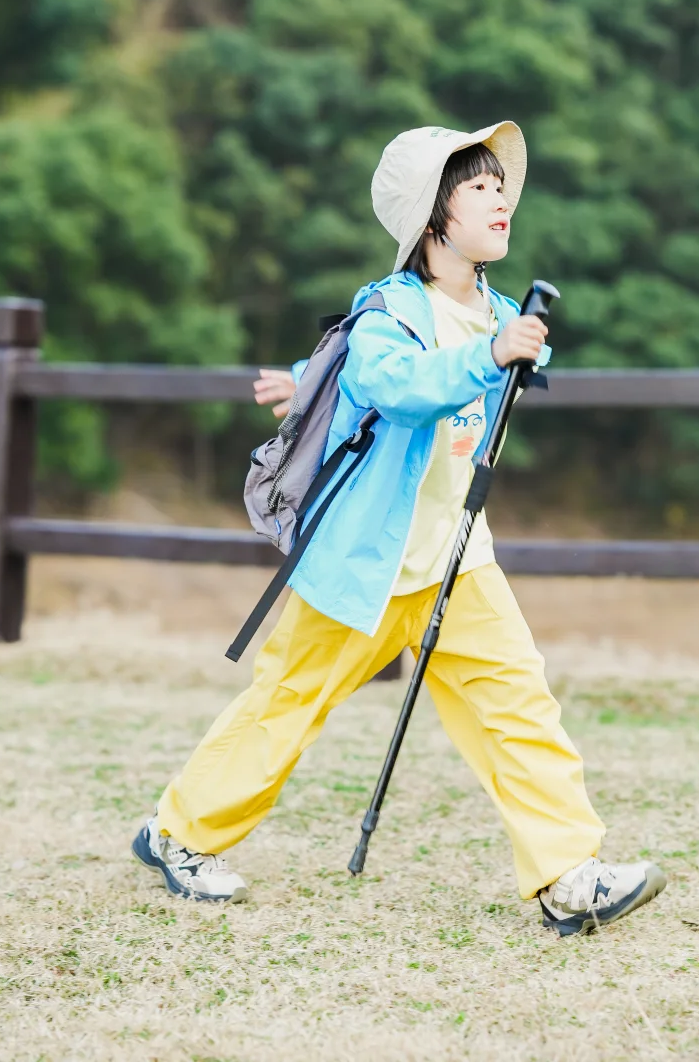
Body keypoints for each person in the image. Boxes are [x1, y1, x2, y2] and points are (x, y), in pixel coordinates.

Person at [131, 121, 667, 936]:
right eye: (478, 187)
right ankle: (176, 836)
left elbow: (475, 376)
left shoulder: (492, 307)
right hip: (366, 565)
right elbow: (396, 381)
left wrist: (512, 353)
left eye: (500, 187)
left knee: (519, 706)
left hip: (457, 560)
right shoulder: (389, 309)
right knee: (287, 704)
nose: (501, 200)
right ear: (432, 218)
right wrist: (491, 357)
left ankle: (570, 877)